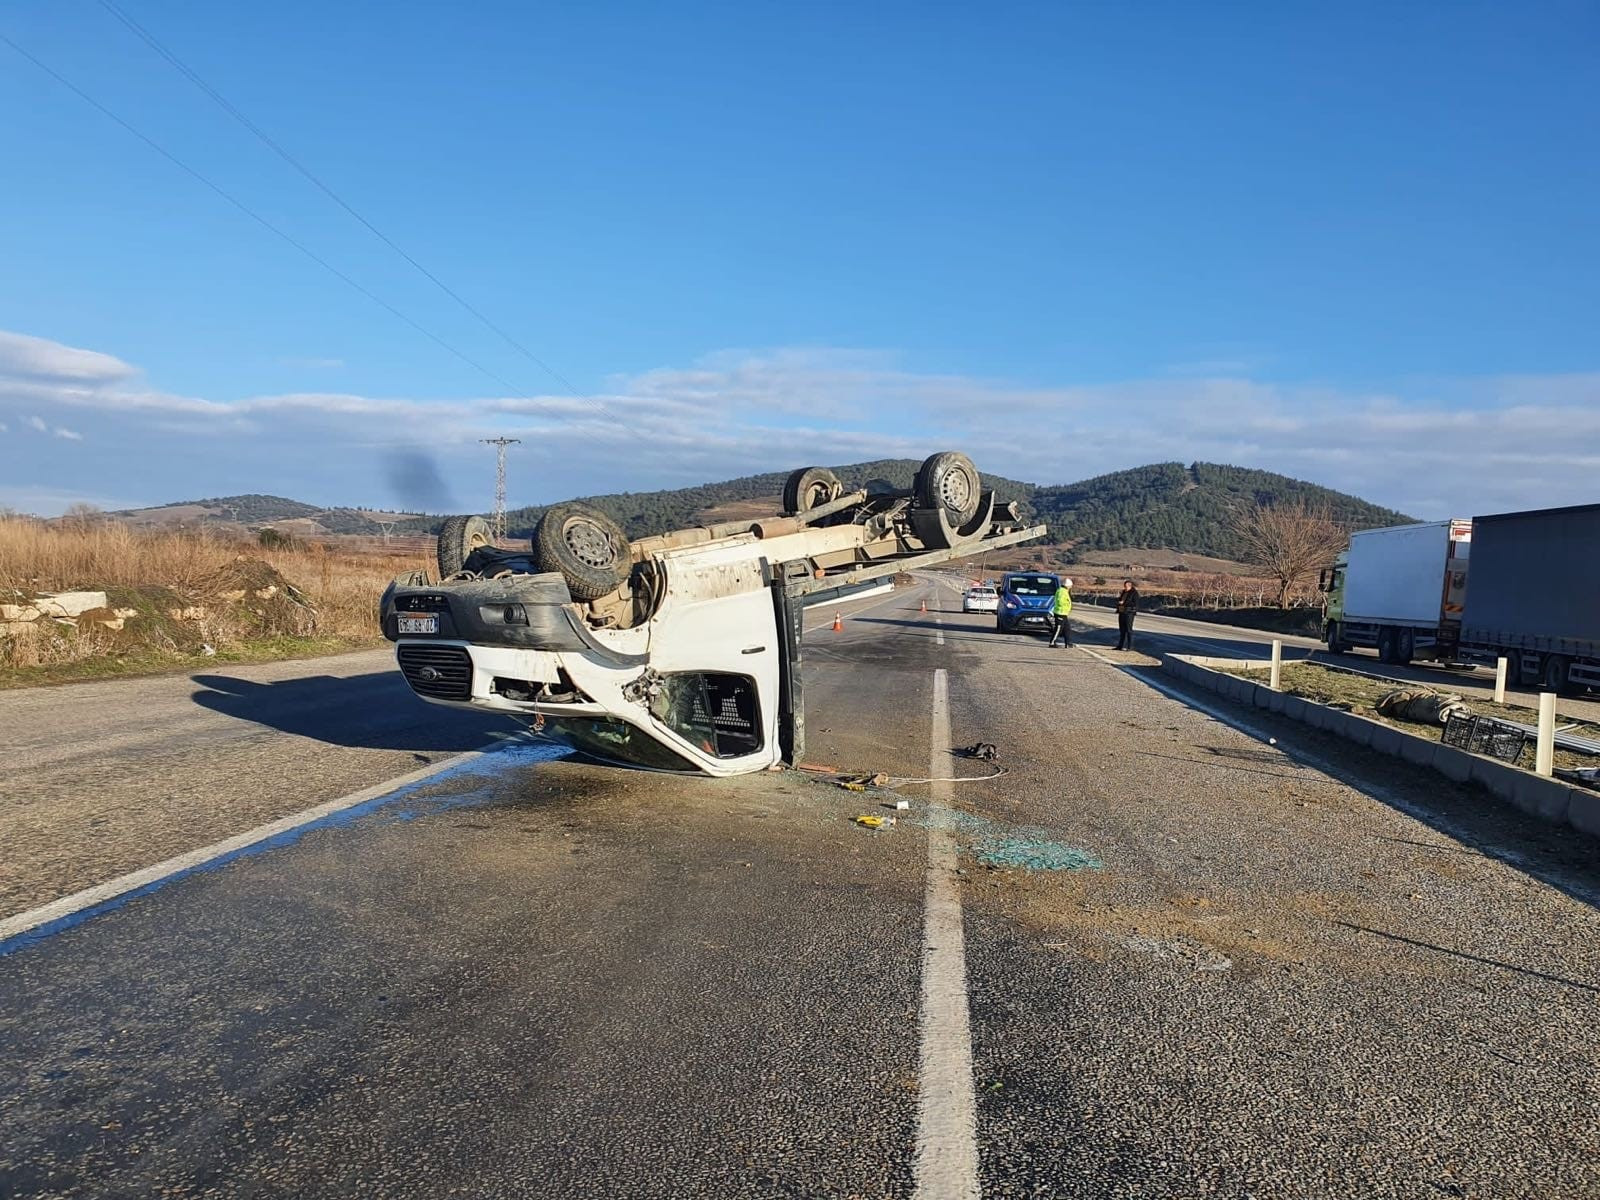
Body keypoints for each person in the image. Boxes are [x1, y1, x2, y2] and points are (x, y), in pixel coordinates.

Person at [1048, 576, 1074, 647]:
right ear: (1067, 586)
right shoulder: (1062, 591)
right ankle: (1052, 642)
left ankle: (1068, 643)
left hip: (1064, 613)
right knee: (1058, 628)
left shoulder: (1064, 591)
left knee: (1067, 628)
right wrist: (1067, 604)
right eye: (1070, 586)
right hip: (1060, 613)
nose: (1071, 587)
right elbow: (1060, 601)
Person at [1115, 579, 1141, 650]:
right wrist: (1119, 602)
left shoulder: (1134, 593)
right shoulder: (1124, 592)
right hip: (1122, 612)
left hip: (1129, 613)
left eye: (1126, 586)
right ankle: (1120, 645)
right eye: (1124, 586)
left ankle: (1130, 646)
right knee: (1122, 630)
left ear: (1130, 586)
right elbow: (1120, 600)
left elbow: (1135, 604)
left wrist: (1124, 603)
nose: (1125, 587)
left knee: (1129, 630)